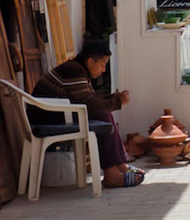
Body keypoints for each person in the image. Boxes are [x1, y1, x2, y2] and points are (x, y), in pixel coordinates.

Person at [29, 41, 143, 188]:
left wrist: (113, 98)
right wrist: (117, 102)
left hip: (55, 115)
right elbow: (91, 105)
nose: (103, 70)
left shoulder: (77, 70)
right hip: (47, 119)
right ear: (90, 61)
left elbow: (90, 99)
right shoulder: (74, 71)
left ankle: (119, 166)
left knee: (103, 114)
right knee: (102, 115)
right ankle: (112, 174)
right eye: (102, 64)